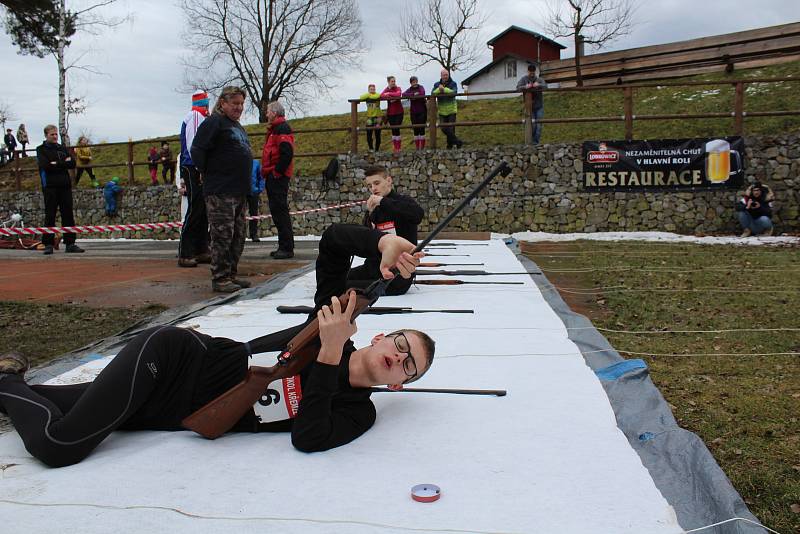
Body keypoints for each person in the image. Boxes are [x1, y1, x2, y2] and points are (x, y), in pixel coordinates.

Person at [0, 224, 432, 468]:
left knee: (45, 402)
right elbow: (333, 245)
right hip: (173, 361)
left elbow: (309, 437)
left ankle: (10, 384)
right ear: (380, 336)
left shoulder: (358, 411)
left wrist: (329, 358)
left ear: (399, 384)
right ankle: (6, 376)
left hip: (177, 412)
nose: (398, 356)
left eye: (407, 366)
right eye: (400, 343)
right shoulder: (328, 320)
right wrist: (381, 243)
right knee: (59, 444)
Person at [191, 86, 252, 292]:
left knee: (238, 235)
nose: (239, 107)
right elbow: (197, 150)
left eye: (242, 104)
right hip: (220, 190)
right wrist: (207, 171)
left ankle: (231, 274)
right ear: (223, 103)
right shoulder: (214, 122)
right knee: (222, 235)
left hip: (239, 190)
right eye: (235, 103)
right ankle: (220, 277)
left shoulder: (237, 126)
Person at [347, 165, 424, 296]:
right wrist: (370, 214)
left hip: (398, 273)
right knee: (336, 279)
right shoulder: (374, 208)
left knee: (341, 287)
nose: (373, 188)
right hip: (373, 267)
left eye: (377, 183)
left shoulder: (403, 202)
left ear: (388, 181)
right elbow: (365, 240)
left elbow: (418, 214)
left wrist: (383, 201)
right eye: (370, 185)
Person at [36, 124, 84, 255]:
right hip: (50, 186)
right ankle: (48, 244)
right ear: (46, 135)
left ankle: (70, 243)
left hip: (64, 185)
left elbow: (72, 163)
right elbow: (45, 165)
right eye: (52, 134)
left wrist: (56, 163)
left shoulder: (62, 148)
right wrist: (62, 163)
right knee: (50, 215)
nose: (55, 136)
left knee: (68, 214)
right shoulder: (41, 149)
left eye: (56, 134)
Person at [177, 90, 212, 269]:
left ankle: (201, 248)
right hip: (193, 166)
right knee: (195, 207)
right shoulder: (196, 116)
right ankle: (186, 251)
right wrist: (199, 167)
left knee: (202, 208)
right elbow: (194, 144)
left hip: (195, 166)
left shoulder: (197, 116)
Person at [261, 100, 295, 260]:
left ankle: (286, 248)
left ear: (274, 113)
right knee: (278, 210)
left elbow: (287, 152)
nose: (266, 114)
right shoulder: (277, 129)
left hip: (277, 176)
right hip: (274, 174)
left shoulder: (281, 129)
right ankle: (284, 245)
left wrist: (276, 172)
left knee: (280, 211)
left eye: (268, 111)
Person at [516, 62, 548, 144]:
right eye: (530, 72)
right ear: (528, 71)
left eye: (533, 72)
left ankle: (536, 142)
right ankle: (531, 141)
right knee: (532, 125)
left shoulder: (539, 79)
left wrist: (539, 85)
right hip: (529, 107)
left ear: (535, 72)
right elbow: (517, 88)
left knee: (539, 126)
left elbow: (546, 87)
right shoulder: (524, 79)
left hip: (539, 106)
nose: (532, 74)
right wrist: (525, 87)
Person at [432, 68, 463, 149]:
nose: (445, 76)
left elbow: (454, 93)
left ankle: (449, 146)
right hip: (442, 111)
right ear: (441, 76)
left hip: (451, 110)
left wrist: (444, 89)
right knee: (443, 128)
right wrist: (439, 89)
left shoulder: (453, 83)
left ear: (448, 75)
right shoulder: (436, 84)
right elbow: (432, 93)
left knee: (451, 128)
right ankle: (457, 142)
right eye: (444, 75)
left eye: (447, 75)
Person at [403, 76, 427, 150]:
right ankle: (417, 148)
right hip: (413, 112)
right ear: (411, 83)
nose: (415, 83)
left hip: (422, 111)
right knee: (415, 130)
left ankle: (422, 148)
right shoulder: (409, 89)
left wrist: (414, 96)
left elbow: (422, 92)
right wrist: (413, 95)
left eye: (416, 81)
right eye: (413, 82)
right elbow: (403, 94)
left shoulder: (421, 87)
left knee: (421, 129)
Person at [381, 76, 404, 153]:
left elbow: (398, 94)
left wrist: (389, 94)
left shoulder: (398, 88)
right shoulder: (386, 89)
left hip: (399, 112)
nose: (393, 83)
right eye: (392, 81)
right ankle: (395, 148)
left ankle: (399, 148)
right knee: (393, 130)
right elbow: (381, 95)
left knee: (397, 128)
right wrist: (388, 94)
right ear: (388, 82)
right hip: (390, 113)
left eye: (394, 81)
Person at [359, 84, 382, 152]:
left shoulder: (377, 95)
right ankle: (371, 148)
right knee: (369, 133)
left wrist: (369, 96)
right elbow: (361, 97)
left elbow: (377, 96)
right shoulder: (367, 95)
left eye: (373, 89)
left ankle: (377, 149)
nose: (372, 90)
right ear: (368, 90)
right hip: (369, 118)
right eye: (371, 89)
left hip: (378, 117)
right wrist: (369, 94)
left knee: (377, 134)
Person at [247, 159, 264, 242]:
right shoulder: (238, 160)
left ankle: (254, 234)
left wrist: (259, 189)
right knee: (238, 213)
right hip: (241, 192)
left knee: (253, 213)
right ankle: (239, 235)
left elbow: (261, 176)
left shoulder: (256, 163)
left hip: (253, 191)